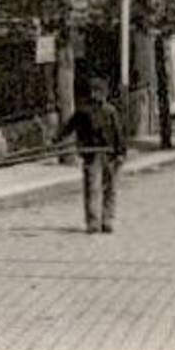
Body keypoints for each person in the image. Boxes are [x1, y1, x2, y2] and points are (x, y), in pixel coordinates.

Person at [55, 76, 127, 233]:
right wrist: (57, 140)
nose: (97, 95)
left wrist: (121, 153)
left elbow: (118, 133)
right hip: (91, 155)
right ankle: (93, 222)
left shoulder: (110, 111)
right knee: (92, 188)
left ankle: (107, 220)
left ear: (104, 93)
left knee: (111, 189)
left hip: (110, 155)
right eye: (94, 91)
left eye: (100, 92)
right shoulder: (83, 112)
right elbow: (69, 127)